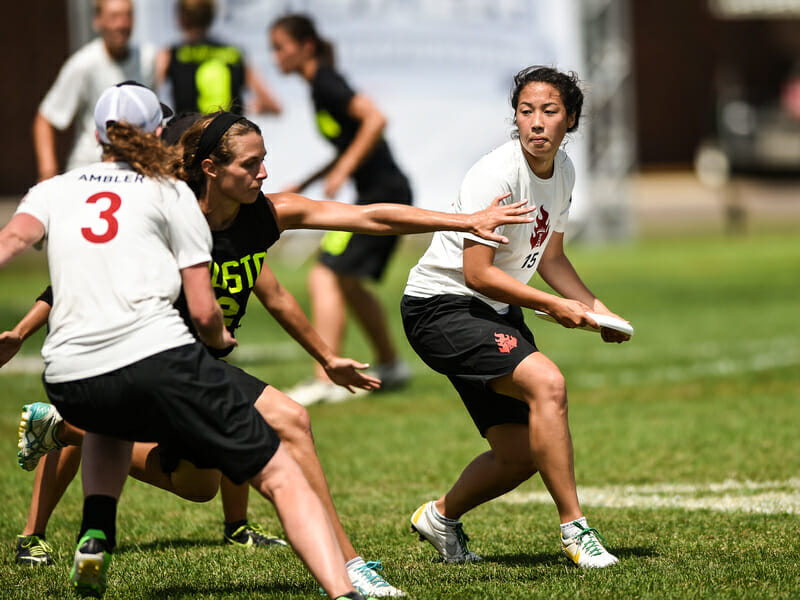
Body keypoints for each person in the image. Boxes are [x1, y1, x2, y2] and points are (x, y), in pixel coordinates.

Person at [6, 108, 533, 596]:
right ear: (211, 169)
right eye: (251, 164)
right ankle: (350, 566)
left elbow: (368, 217)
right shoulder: (167, 214)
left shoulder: (265, 215)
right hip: (158, 359)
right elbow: (78, 276)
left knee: (198, 484)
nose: (263, 174)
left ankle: (66, 426)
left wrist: (461, 221)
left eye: (264, 162)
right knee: (292, 420)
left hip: (197, 366)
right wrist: (26, 328)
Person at [1, 82, 370, 600]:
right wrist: (219, 340)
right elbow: (203, 307)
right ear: (157, 133)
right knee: (284, 440)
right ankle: (348, 580)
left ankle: (94, 517)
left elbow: (18, 245)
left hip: (72, 367)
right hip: (161, 354)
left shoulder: (59, 189)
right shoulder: (171, 198)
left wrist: (19, 331)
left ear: (94, 133)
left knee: (177, 469)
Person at [401, 66, 631, 569]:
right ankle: (576, 531)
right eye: (526, 112)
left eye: (549, 112)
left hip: (493, 311)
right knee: (548, 384)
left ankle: (439, 518)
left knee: (521, 455)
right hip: (441, 308)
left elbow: (551, 259)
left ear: (570, 118)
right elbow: (477, 274)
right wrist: (553, 305)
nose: (536, 123)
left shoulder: (564, 171)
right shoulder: (495, 174)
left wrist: (597, 309)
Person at [269, 14, 415, 405]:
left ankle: (325, 377)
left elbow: (375, 120)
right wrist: (307, 183)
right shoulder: (319, 86)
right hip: (380, 191)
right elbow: (345, 143)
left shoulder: (326, 83)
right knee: (346, 280)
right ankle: (391, 365)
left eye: (280, 47)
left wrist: (345, 170)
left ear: (306, 47)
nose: (275, 56)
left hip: (383, 193)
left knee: (325, 274)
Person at [33, 0, 156, 181]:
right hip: (90, 170)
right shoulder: (84, 64)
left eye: (127, 15)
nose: (122, 24)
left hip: (134, 171)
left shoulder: (146, 59)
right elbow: (45, 120)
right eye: (114, 17)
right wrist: (47, 175)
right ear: (97, 21)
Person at [155, 0, 281, 116]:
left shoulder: (170, 54)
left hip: (190, 134)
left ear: (181, 19)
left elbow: (148, 96)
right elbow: (272, 105)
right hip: (230, 135)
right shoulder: (234, 53)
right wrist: (241, 109)